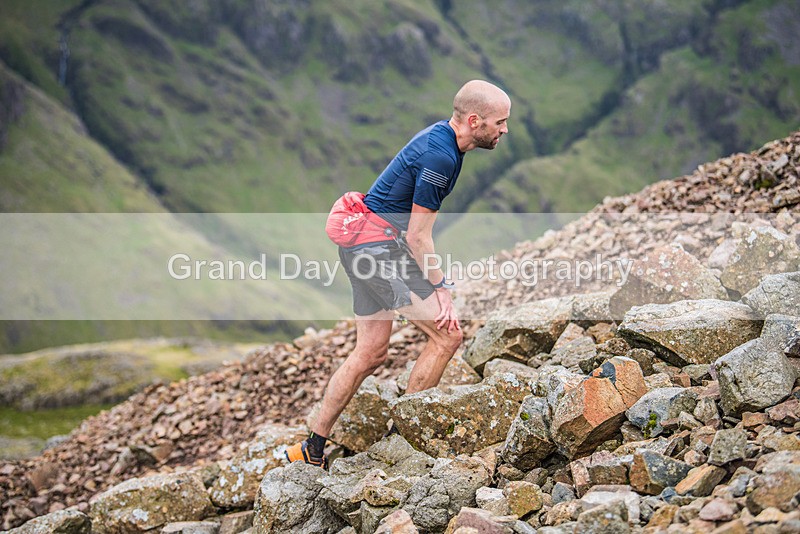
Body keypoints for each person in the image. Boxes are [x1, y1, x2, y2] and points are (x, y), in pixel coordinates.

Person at [285, 80, 511, 468]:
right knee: (448, 334)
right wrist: (442, 291)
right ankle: (402, 440)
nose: (505, 130)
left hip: (364, 247)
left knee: (370, 353)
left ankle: (311, 449)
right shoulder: (441, 156)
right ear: (475, 121)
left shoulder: (442, 140)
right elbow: (419, 237)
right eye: (500, 122)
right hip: (376, 251)